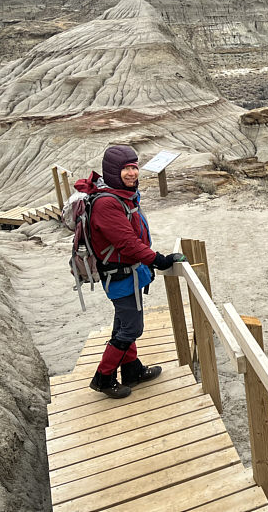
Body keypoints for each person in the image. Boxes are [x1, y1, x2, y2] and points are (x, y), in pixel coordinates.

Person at [75, 145, 186, 398]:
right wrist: (159, 259)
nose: (132, 173)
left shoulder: (119, 194)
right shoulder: (107, 203)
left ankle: (132, 370)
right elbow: (126, 242)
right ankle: (103, 378)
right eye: (126, 168)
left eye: (134, 167)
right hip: (120, 275)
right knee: (131, 328)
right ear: (114, 171)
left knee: (124, 324)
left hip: (127, 272)